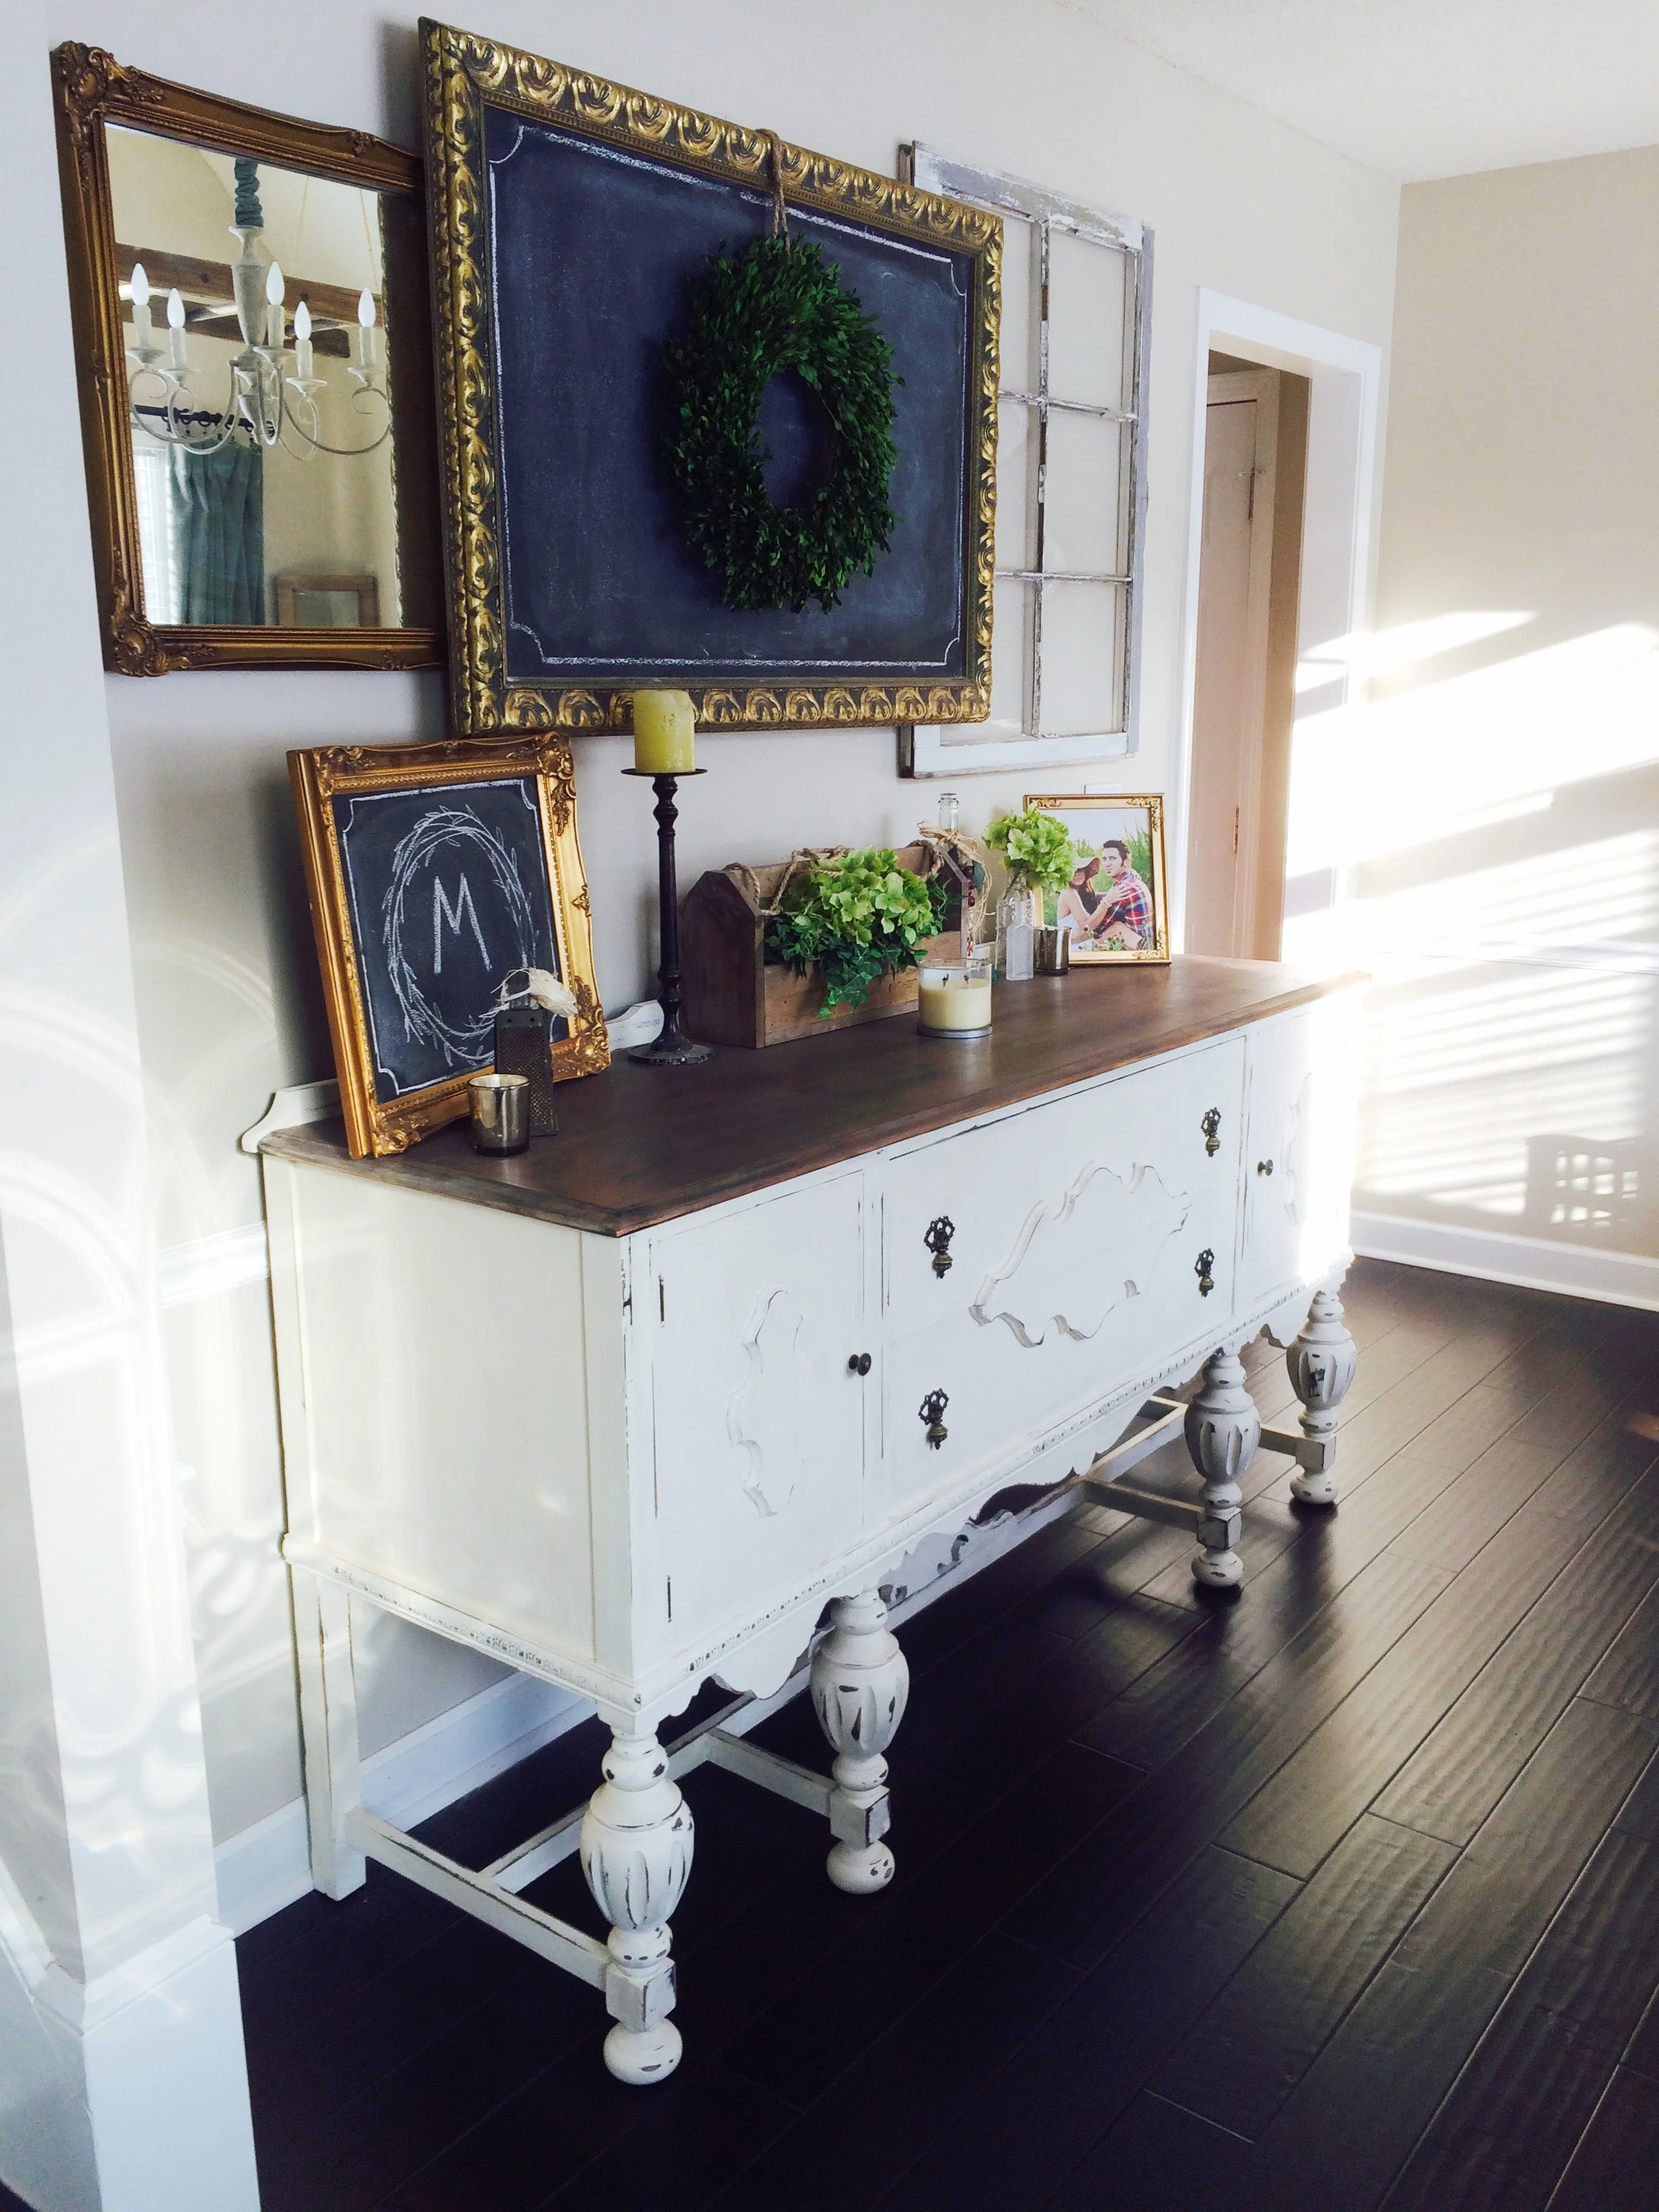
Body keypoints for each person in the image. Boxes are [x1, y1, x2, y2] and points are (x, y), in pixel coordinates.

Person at [1077, 838, 1152, 948]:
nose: (1107, 864)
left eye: (1112, 859)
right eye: (1105, 859)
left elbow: (1098, 928)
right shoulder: (1132, 878)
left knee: (1109, 932)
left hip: (1136, 947)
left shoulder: (1123, 889)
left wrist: (1105, 902)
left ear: (1126, 862)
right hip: (1142, 937)